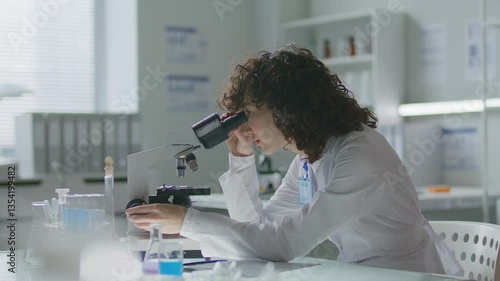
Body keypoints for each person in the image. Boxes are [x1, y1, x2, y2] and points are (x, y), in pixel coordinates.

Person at [126, 45, 463, 275]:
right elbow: (259, 233)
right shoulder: (309, 158)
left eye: (252, 114)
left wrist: (188, 221)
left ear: (290, 110)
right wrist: (242, 160)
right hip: (362, 274)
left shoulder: (359, 155)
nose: (244, 126)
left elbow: (285, 243)